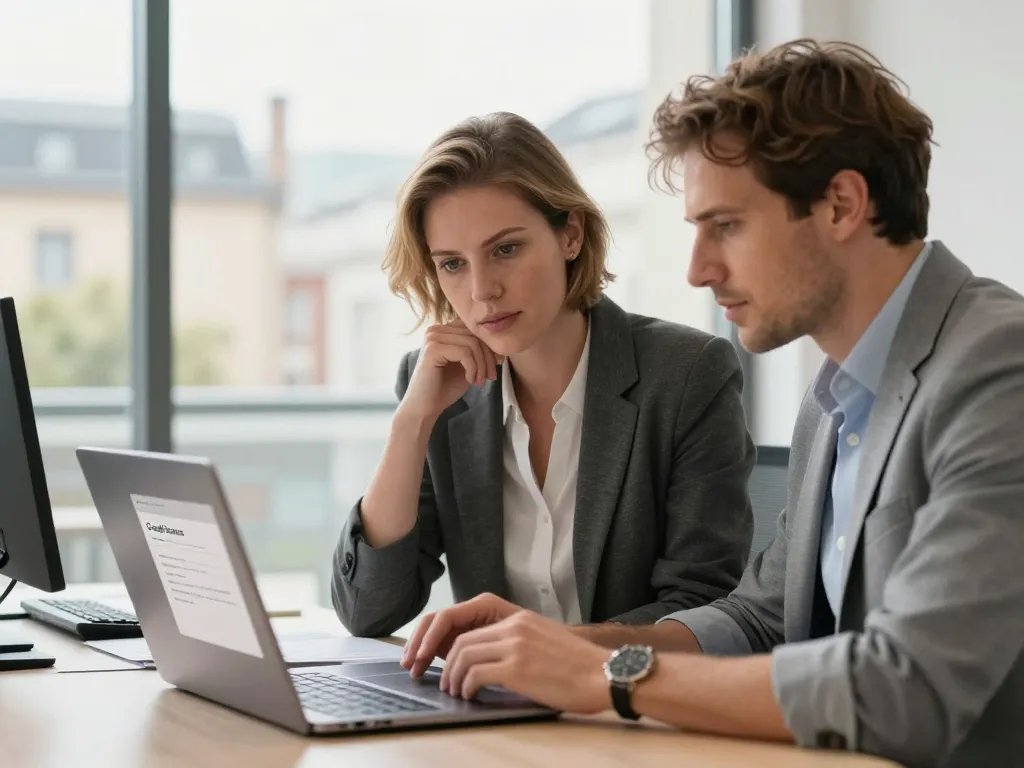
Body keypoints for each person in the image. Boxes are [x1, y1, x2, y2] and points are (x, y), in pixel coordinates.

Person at [397, 40, 1024, 768]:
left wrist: (610, 676)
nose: (699, 270)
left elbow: (905, 690)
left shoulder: (997, 370)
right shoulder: (834, 399)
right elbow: (761, 620)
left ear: (842, 205)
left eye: (726, 226)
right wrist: (553, 648)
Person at [330, 112, 756, 639]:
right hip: (491, 691)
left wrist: (548, 651)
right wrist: (411, 424)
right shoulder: (436, 387)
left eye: (505, 250)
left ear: (570, 235)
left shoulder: (687, 374)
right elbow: (367, 610)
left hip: (624, 688)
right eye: (452, 264)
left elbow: (703, 608)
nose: (482, 291)